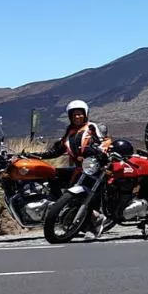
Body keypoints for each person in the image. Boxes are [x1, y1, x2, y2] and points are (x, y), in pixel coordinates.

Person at [38, 100, 110, 240]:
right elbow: (57, 150)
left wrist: (100, 150)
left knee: (87, 195)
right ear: (70, 116)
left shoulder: (93, 127)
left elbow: (104, 141)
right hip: (78, 169)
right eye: (75, 115)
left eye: (80, 114)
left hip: (93, 168)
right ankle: (60, 208)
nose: (78, 117)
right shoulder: (69, 132)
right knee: (53, 176)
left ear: (86, 114)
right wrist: (38, 155)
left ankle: (94, 223)